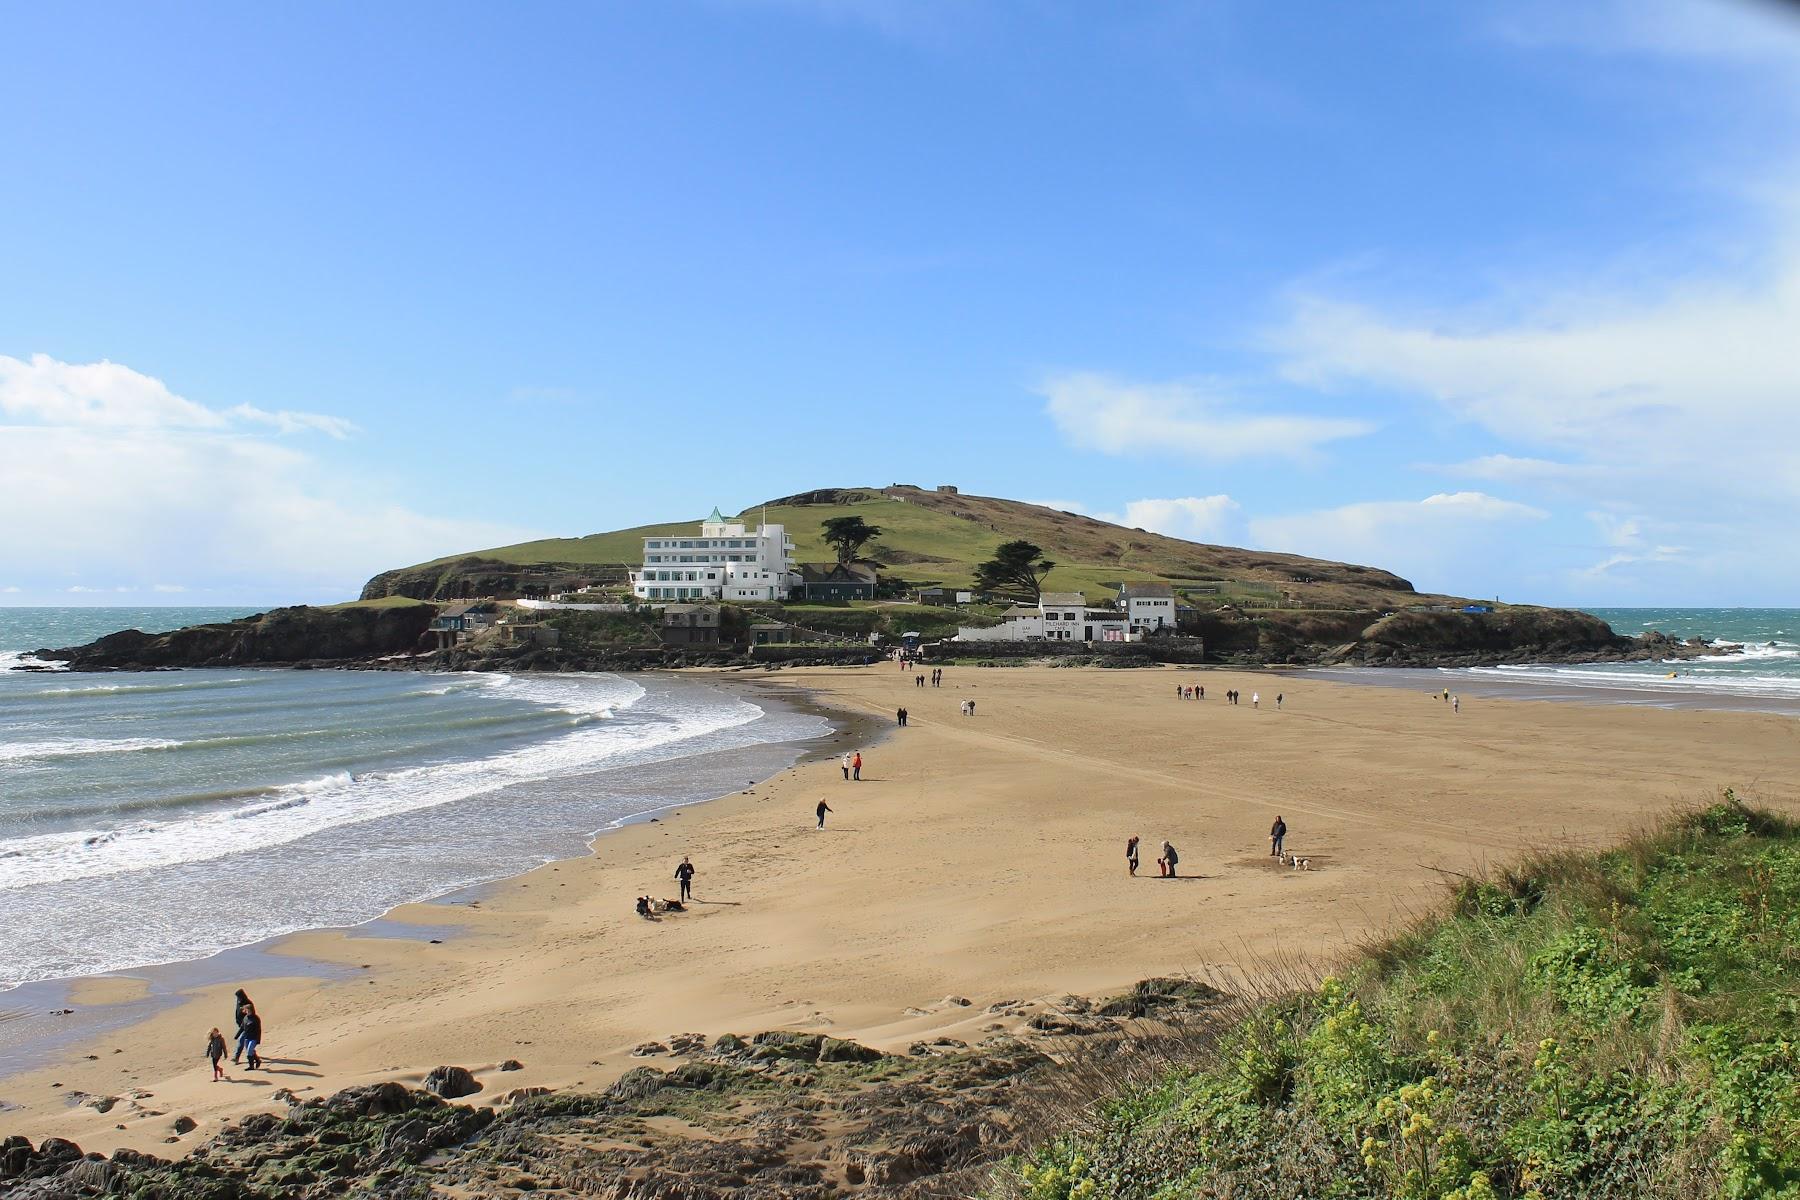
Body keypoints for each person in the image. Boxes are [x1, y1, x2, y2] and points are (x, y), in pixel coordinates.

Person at [231, 989, 254, 1064]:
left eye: (238, 997)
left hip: (247, 1026)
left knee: (241, 1040)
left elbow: (252, 1015)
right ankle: (253, 1054)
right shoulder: (239, 1002)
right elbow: (237, 1011)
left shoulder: (248, 1003)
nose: (238, 998)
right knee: (246, 1042)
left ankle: (236, 1057)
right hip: (240, 1024)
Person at [239, 1005, 263, 1070]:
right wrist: (237, 1035)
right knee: (250, 1051)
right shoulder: (245, 1018)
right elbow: (242, 1027)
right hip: (247, 1038)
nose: (246, 1011)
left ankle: (251, 1066)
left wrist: (258, 1039)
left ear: (251, 1010)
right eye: (246, 1010)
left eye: (248, 1010)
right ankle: (258, 1060)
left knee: (249, 1051)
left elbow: (259, 1030)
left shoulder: (256, 1018)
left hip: (254, 1038)